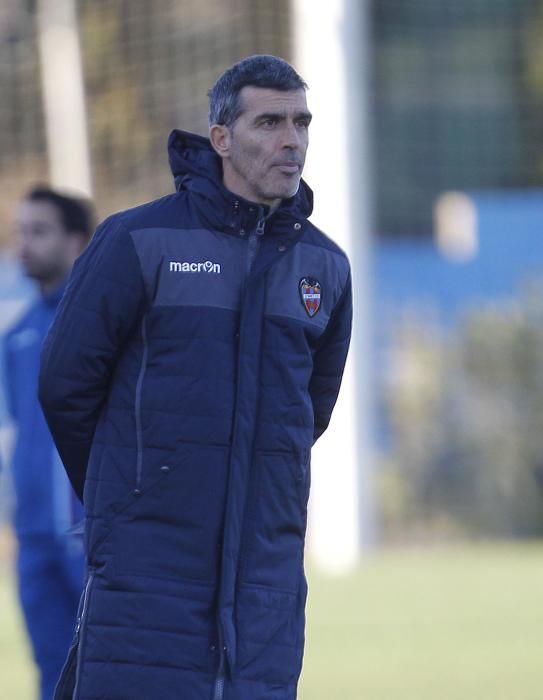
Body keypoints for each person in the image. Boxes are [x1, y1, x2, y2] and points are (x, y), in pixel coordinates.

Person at [39, 55, 352, 700]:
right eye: (269, 122)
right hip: (145, 566)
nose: (291, 140)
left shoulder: (326, 264)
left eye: (301, 122)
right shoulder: (137, 240)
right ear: (222, 138)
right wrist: (123, 490)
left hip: (265, 579)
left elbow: (308, 413)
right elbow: (65, 385)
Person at [3, 185, 93, 700]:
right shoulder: (14, 335)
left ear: (76, 241)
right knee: (50, 672)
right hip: (34, 537)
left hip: (85, 534)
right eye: (21, 231)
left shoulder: (96, 326)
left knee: (103, 670)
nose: (24, 244)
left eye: (40, 231)